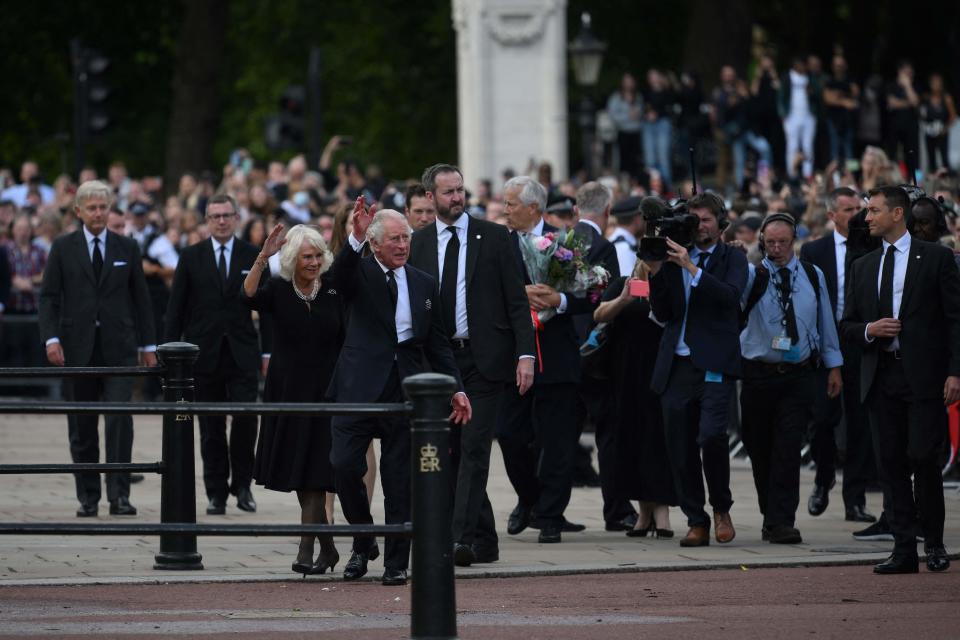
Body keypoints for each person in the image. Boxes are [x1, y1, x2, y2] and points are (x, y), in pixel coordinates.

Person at [327, 202, 471, 586]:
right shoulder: (358, 271)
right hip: (358, 384)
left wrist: (456, 388)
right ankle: (363, 541)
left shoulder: (424, 282)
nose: (403, 244)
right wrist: (354, 235)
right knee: (343, 464)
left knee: (398, 478)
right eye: (395, 238)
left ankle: (395, 562)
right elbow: (335, 280)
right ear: (375, 244)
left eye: (406, 237)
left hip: (406, 384)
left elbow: (438, 343)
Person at [408, 163, 534, 567]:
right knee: (453, 454)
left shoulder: (495, 236)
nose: (457, 198)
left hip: (486, 359)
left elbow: (517, 301)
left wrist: (525, 354)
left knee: (475, 448)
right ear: (430, 197)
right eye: (448, 192)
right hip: (440, 362)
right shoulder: (420, 242)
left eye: (460, 190)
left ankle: (455, 538)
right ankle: (486, 539)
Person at [840, 185, 960, 574]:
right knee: (890, 464)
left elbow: (955, 320)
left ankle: (935, 544)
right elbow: (848, 326)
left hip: (924, 377)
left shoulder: (938, 258)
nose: (866, 217)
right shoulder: (862, 266)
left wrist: (955, 371)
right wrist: (870, 330)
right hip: (881, 376)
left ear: (897, 214)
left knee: (924, 459)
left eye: (873, 210)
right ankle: (904, 549)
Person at [38, 180, 156, 517]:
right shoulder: (63, 248)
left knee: (120, 420)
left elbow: (141, 300)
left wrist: (149, 346)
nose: (99, 213)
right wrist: (51, 339)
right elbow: (48, 297)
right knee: (82, 425)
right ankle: (88, 497)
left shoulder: (127, 247)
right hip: (77, 348)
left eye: (103, 207)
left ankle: (119, 495)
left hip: (119, 347)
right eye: (92, 207)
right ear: (78, 211)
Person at [497, 176, 598, 544]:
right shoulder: (498, 243)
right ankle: (529, 498)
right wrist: (518, 294)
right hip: (514, 358)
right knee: (509, 434)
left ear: (533, 208)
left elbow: (590, 294)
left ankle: (551, 515)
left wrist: (560, 301)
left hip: (556, 355)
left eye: (510, 204)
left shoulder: (564, 244)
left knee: (557, 443)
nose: (505, 210)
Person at [645, 192, 748, 547]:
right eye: (694, 219)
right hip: (676, 363)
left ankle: (721, 507)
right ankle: (696, 518)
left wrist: (692, 267)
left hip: (714, 362)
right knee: (680, 445)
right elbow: (664, 311)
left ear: (721, 224)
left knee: (712, 436)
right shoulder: (673, 257)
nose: (698, 226)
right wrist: (658, 270)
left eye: (705, 219)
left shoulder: (732, 256)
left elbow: (730, 298)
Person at [242, 224, 343, 576]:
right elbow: (248, 296)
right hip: (289, 390)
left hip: (327, 391)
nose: (314, 262)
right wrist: (261, 257)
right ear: (292, 259)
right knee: (304, 471)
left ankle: (306, 548)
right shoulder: (279, 289)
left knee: (315, 469)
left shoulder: (332, 289)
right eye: (307, 257)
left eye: (318, 255)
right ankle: (327, 547)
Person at [739, 213, 843, 544]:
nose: (777, 249)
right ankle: (770, 512)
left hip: (798, 375)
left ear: (794, 240)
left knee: (788, 447)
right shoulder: (752, 276)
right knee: (759, 447)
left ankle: (782, 519)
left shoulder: (812, 275)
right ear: (762, 242)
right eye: (770, 242)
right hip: (758, 373)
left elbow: (826, 320)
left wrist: (834, 365)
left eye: (783, 242)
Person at [164, 194, 267, 515]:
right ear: (206, 221)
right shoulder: (191, 256)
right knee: (209, 428)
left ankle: (244, 484)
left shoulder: (253, 255)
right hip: (203, 354)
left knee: (246, 420)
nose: (221, 221)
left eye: (227, 215)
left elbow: (267, 304)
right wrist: (168, 352)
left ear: (237, 218)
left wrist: (270, 351)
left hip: (242, 351)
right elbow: (176, 308)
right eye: (215, 216)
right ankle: (215, 492)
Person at [801, 187, 877, 524]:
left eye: (859, 208)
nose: (856, 215)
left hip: (859, 341)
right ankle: (823, 477)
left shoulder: (872, 246)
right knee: (822, 419)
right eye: (847, 209)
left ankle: (855, 497)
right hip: (822, 345)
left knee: (860, 421)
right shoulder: (815, 250)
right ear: (832, 214)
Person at [594, 261, 677, 537]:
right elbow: (599, 314)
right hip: (626, 372)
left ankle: (662, 512)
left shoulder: (669, 285)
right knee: (632, 440)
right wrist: (624, 299)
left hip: (662, 369)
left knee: (660, 439)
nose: (651, 263)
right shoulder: (624, 283)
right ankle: (644, 512)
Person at [3, 214, 44, 368]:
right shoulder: (5, 250)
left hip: (34, 309)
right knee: (13, 350)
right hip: (12, 309)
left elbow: (47, 273)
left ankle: (34, 389)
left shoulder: (39, 250)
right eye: (19, 228)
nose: (23, 232)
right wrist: (14, 280)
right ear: (13, 230)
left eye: (26, 228)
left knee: (34, 350)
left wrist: (30, 281)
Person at [779, 57, 819, 179]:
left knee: (808, 146)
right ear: (795, 65)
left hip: (808, 116)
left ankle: (807, 174)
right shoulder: (787, 77)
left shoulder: (810, 78)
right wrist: (783, 114)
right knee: (792, 146)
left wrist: (811, 92)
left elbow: (817, 95)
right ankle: (792, 173)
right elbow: (781, 96)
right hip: (792, 117)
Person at [822, 55, 860, 165]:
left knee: (850, 150)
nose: (839, 67)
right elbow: (827, 99)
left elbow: (855, 95)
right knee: (834, 150)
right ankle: (835, 179)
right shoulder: (829, 81)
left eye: (841, 65)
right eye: (837, 65)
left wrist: (838, 96)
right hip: (833, 120)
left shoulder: (851, 80)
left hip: (848, 121)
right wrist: (844, 101)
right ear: (833, 67)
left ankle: (852, 177)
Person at [607, 73, 644, 179]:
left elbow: (641, 111)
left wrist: (638, 114)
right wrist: (628, 116)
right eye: (626, 81)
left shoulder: (638, 96)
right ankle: (625, 181)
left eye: (630, 81)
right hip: (623, 131)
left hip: (636, 131)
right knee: (624, 159)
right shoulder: (616, 97)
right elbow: (612, 115)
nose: (628, 84)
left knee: (636, 160)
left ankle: (636, 180)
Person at [920, 73, 957, 172]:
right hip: (929, 131)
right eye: (933, 82)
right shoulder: (926, 98)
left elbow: (953, 116)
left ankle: (947, 179)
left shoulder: (946, 98)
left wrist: (945, 129)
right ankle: (934, 179)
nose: (936, 85)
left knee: (944, 157)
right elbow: (921, 113)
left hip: (942, 132)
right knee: (931, 157)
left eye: (938, 83)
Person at [885, 62, 920, 167]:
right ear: (900, 72)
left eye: (911, 72)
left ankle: (916, 181)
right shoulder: (891, 85)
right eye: (907, 72)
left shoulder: (915, 86)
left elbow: (915, 102)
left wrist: (908, 86)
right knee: (893, 157)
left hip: (911, 128)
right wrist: (908, 103)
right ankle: (895, 181)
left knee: (913, 157)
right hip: (894, 128)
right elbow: (891, 103)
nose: (910, 75)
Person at [607, 196, 645, 277]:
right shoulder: (623, 248)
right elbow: (628, 285)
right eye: (644, 218)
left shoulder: (627, 244)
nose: (646, 222)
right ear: (637, 219)